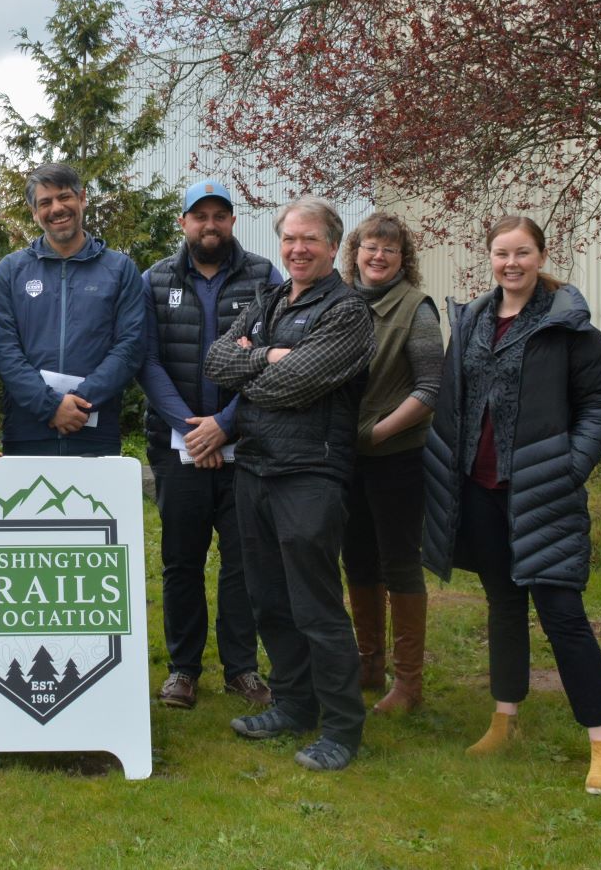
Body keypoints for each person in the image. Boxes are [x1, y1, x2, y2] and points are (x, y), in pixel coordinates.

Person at [420, 214, 601, 794]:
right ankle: (505, 719)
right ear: (489, 258)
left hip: (542, 490)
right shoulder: (475, 320)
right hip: (480, 491)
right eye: (500, 254)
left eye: (522, 253)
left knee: (563, 614)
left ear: (541, 256)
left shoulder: (568, 326)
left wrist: (571, 465)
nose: (511, 264)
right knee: (503, 606)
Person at [204, 198, 374, 772]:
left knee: (316, 607)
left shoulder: (347, 312)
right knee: (269, 601)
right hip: (255, 469)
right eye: (289, 239)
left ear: (333, 246)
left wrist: (266, 363)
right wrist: (269, 358)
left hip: (310, 473)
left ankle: (343, 728)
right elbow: (217, 361)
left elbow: (297, 384)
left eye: (311, 240)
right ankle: (294, 704)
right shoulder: (270, 300)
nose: (298, 249)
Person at [139, 178, 279, 711]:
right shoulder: (153, 280)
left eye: (220, 215)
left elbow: (275, 356)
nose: (210, 225)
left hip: (246, 444)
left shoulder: (265, 276)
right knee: (181, 561)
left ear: (233, 222)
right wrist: (192, 428)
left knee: (244, 560)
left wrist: (225, 424)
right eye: (200, 216)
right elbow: (146, 362)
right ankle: (183, 669)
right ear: (183, 223)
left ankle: (241, 667)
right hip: (179, 449)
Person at [340, 213, 443, 714]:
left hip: (397, 456)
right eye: (370, 248)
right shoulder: (336, 301)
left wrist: (378, 433)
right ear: (354, 252)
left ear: (404, 259)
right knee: (357, 557)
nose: (378, 257)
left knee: (399, 561)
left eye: (390, 250)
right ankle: (367, 663)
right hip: (346, 457)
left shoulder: (415, 309)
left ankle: (408, 685)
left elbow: (429, 390)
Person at [0, 161, 147, 456]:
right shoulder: (9, 272)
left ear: (82, 198)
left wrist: (79, 402)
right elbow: (4, 350)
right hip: (27, 435)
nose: (57, 208)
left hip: (96, 433)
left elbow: (130, 346)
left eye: (64, 197)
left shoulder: (121, 269)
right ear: (35, 213)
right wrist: (50, 407)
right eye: (45, 202)